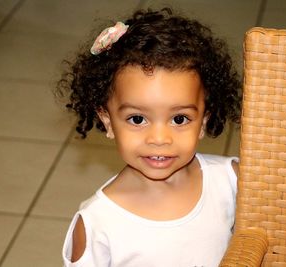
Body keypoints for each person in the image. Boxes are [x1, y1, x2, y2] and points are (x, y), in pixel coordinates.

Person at [56, 8, 242, 267]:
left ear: (204, 121)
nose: (159, 138)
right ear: (108, 120)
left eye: (179, 119)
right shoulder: (98, 223)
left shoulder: (231, 181)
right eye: (137, 119)